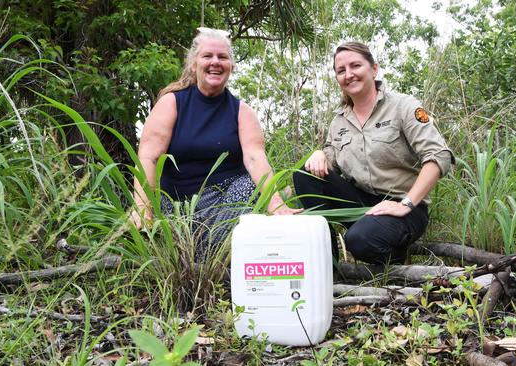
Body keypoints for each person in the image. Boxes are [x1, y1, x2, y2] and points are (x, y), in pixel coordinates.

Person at [131, 28, 300, 254]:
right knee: (170, 223)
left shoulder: (242, 112)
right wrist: (143, 210)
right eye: (207, 56)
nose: (215, 62)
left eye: (223, 57)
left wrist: (276, 202)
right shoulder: (171, 103)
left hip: (226, 204)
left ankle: (206, 248)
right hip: (177, 203)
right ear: (194, 64)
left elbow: (255, 158)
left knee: (253, 186)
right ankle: (201, 246)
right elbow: (148, 157)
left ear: (231, 65)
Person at [293, 41, 454, 265]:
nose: (348, 75)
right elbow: (331, 161)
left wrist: (404, 204)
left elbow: (439, 156)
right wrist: (319, 154)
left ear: (374, 69)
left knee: (359, 240)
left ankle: (396, 260)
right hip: (361, 204)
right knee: (304, 173)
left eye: (355, 66)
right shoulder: (339, 121)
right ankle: (328, 261)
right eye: (341, 70)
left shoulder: (403, 106)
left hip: (404, 207)